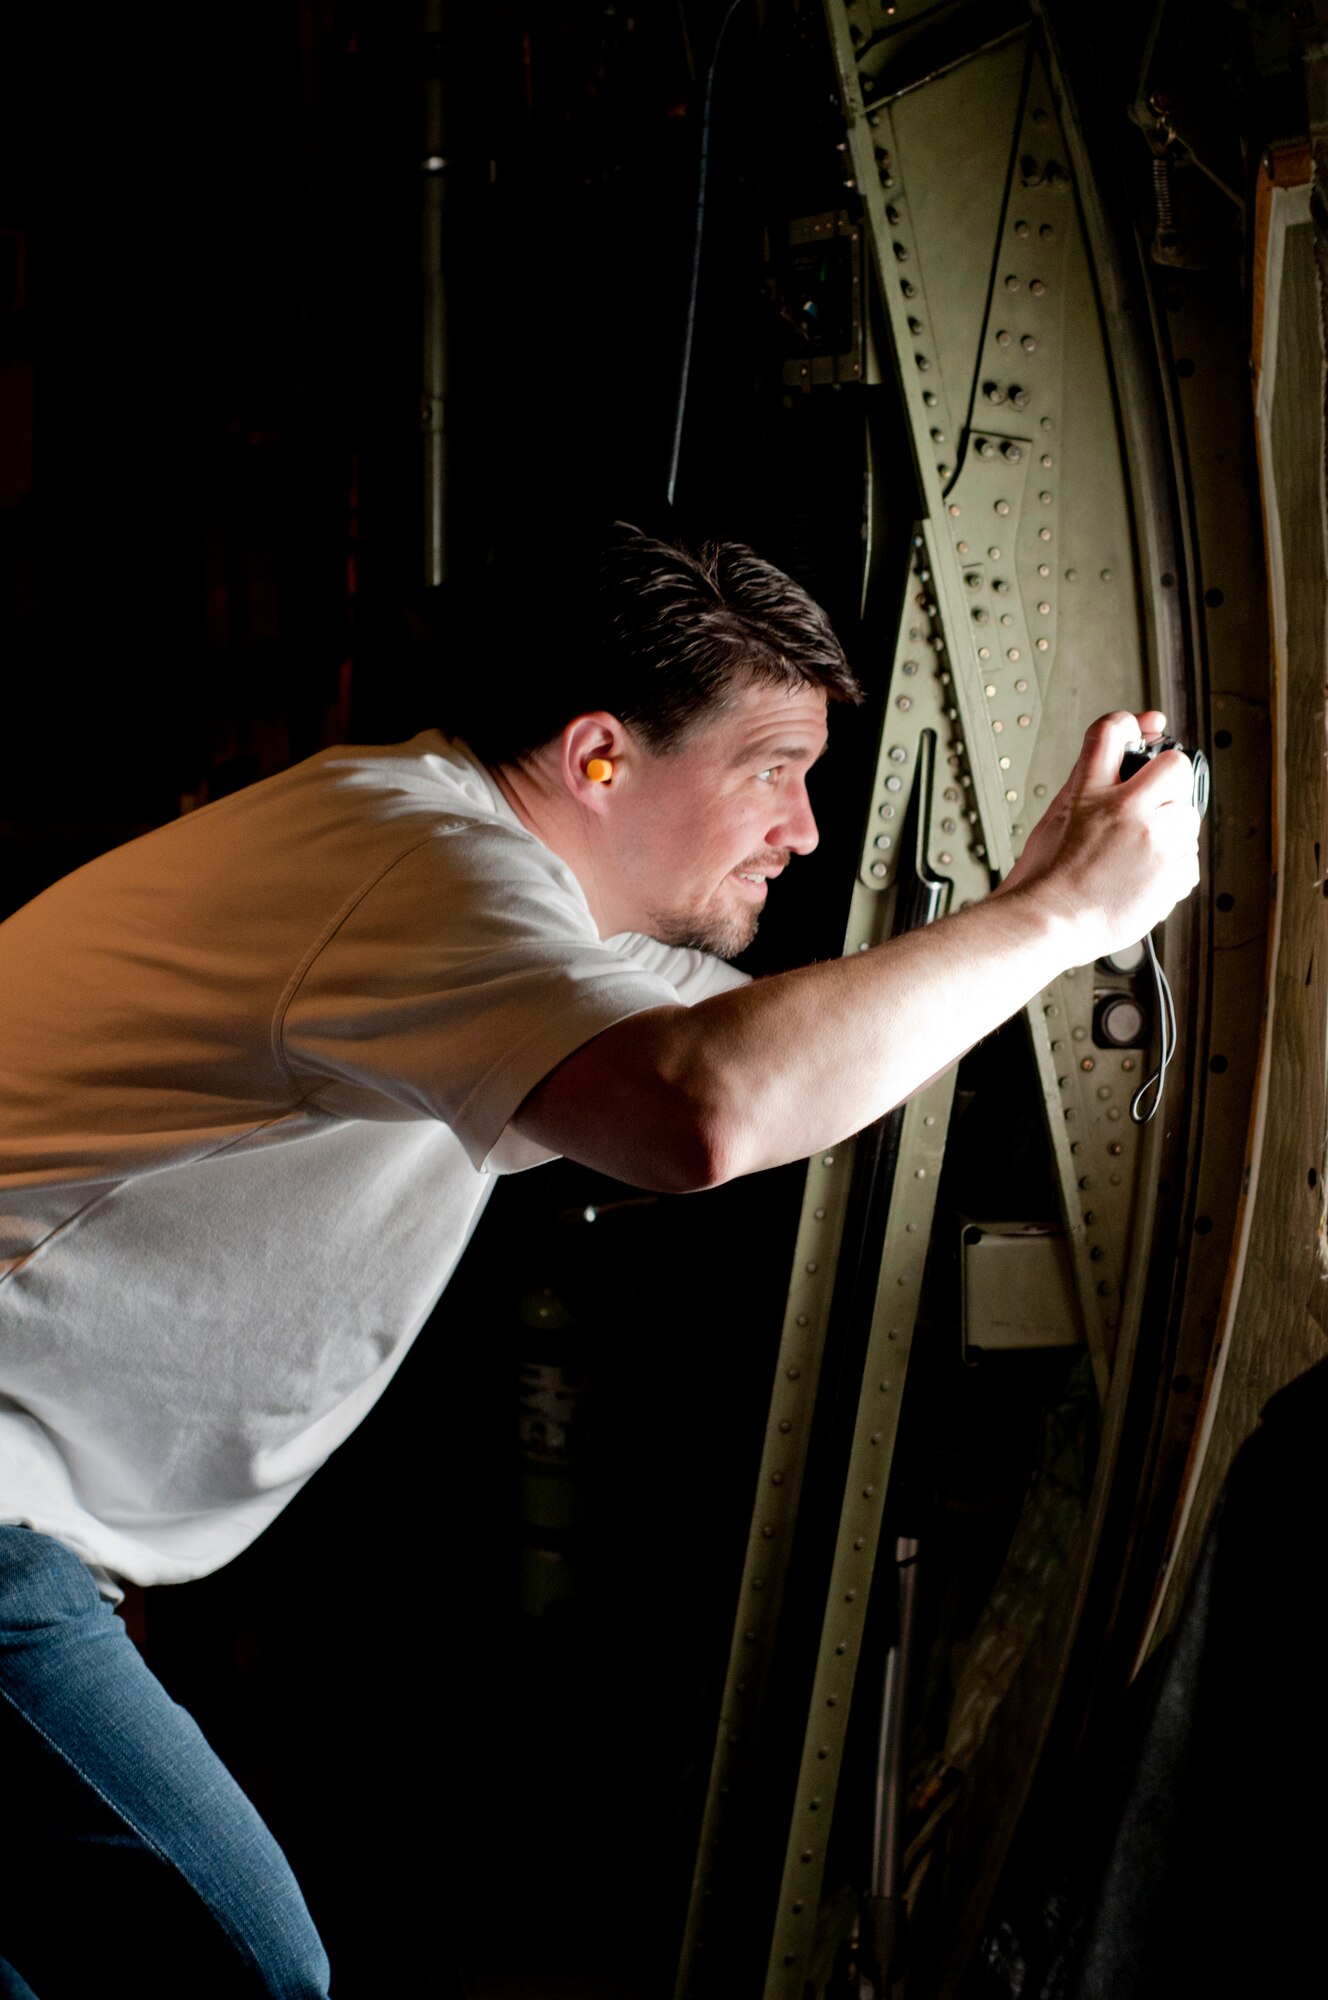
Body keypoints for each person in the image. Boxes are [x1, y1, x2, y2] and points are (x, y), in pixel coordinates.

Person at [0, 527, 1200, 1996]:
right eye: (774, 770)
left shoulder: (482, 891)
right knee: (243, 1980)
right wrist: (1063, 915)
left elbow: (784, 1041)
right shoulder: (420, 864)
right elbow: (704, 1107)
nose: (808, 829)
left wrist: (1019, 925)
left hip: (37, 1527)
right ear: (601, 760)